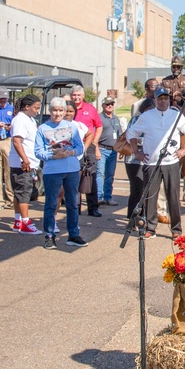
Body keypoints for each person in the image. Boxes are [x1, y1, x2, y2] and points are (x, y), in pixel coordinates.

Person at [125, 88, 185, 239]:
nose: (163, 101)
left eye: (165, 99)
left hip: (171, 162)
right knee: (151, 196)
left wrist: (184, 149)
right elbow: (131, 133)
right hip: (151, 162)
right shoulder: (146, 116)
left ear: (169, 100)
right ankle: (151, 227)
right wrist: (136, 152)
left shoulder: (176, 115)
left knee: (173, 197)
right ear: (155, 100)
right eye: (160, 99)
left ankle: (176, 229)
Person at [34, 97, 86, 250]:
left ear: (65, 112)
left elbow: (79, 147)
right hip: (52, 171)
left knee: (72, 204)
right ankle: (50, 235)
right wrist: (53, 155)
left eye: (60, 110)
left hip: (71, 169)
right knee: (51, 203)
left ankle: (73, 234)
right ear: (50, 111)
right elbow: (38, 151)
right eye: (55, 110)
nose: (57, 113)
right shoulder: (43, 128)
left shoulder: (72, 127)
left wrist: (69, 152)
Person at [8, 95, 42, 235]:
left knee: (19, 194)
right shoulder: (21, 119)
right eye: (35, 108)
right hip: (22, 164)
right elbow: (17, 141)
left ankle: (18, 221)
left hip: (28, 162)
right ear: (27, 107)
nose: (37, 111)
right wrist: (25, 159)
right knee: (24, 193)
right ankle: (26, 222)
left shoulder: (30, 119)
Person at [69, 86, 103, 217]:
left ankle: (93, 208)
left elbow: (99, 126)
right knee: (75, 176)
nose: (76, 97)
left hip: (88, 145)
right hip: (72, 146)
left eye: (78, 95)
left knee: (91, 176)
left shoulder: (90, 109)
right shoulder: (68, 109)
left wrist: (95, 141)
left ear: (82, 96)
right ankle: (75, 207)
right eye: (74, 95)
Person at [96, 96, 121, 207]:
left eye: (111, 104)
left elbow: (120, 135)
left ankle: (108, 197)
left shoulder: (116, 119)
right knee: (100, 174)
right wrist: (96, 148)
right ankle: (98, 197)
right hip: (102, 149)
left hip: (113, 151)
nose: (110, 106)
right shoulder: (99, 118)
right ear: (103, 105)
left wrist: (122, 149)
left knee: (110, 175)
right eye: (107, 104)